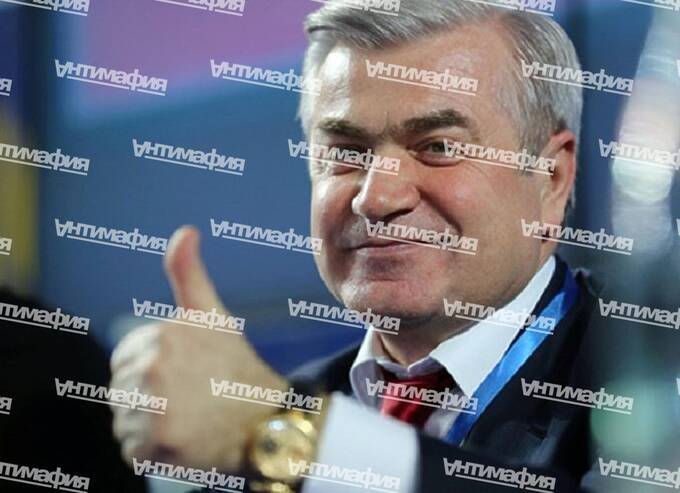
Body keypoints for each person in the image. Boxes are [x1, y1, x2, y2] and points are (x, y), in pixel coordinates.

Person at [108, 2, 679, 492]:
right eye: (345, 153)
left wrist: (291, 439)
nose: (375, 197)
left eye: (436, 147)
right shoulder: (276, 415)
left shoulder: (654, 367)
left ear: (551, 177)